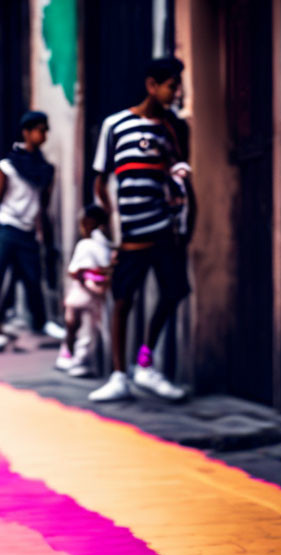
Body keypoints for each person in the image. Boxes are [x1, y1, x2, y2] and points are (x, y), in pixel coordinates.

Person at [88, 57, 190, 402]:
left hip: (164, 230)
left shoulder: (173, 128)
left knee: (174, 291)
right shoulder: (115, 125)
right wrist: (114, 224)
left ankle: (145, 364)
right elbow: (100, 179)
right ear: (152, 85)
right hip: (130, 234)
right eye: (172, 85)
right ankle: (119, 375)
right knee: (123, 300)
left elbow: (180, 175)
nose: (176, 92)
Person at [0, 111, 57, 343]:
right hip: (7, 226)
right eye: (40, 129)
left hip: (28, 230)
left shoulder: (44, 169)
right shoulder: (8, 165)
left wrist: (40, 228)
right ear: (27, 132)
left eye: (45, 130)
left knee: (33, 277)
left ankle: (41, 322)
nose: (44, 134)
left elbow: (43, 202)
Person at [55, 204, 113, 377]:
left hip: (82, 293)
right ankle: (79, 360)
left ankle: (73, 357)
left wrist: (86, 277)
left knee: (77, 328)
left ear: (89, 223)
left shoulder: (87, 244)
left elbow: (73, 270)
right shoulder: (102, 245)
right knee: (86, 331)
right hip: (90, 293)